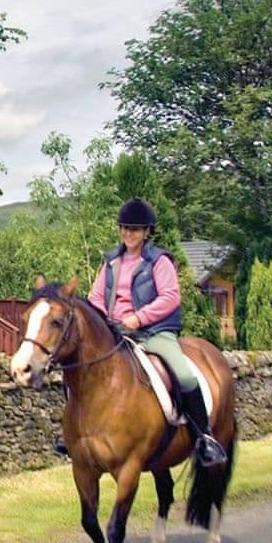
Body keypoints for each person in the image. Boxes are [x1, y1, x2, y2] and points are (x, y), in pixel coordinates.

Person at [83, 197, 228, 467]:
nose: (128, 234)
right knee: (84, 371)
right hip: (116, 333)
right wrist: (104, 321)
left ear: (147, 231)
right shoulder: (110, 261)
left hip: (154, 332)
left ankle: (204, 437)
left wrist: (138, 318)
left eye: (135, 229)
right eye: (124, 228)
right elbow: (95, 298)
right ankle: (77, 436)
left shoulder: (159, 261)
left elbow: (170, 297)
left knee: (183, 374)